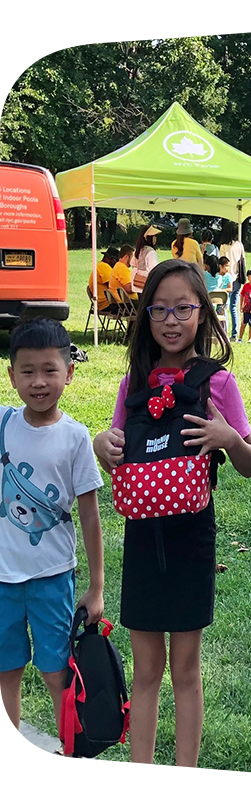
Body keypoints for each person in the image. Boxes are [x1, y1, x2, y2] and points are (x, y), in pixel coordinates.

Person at [93, 260, 251, 803]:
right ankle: (140, 787)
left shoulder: (218, 382)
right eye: (159, 309)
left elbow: (250, 462)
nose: (170, 320)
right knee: (146, 671)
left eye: (183, 308)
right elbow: (119, 451)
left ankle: (183, 790)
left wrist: (228, 436)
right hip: (143, 541)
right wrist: (102, 446)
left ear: (202, 314)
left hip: (191, 541)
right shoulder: (132, 384)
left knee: (185, 670)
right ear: (145, 317)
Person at [0, 317, 104, 803]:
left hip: (51, 581)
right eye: (27, 372)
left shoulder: (76, 438)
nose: (38, 382)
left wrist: (97, 585)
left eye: (49, 370)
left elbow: (90, 517)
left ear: (69, 372)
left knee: (58, 678)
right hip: (1, 582)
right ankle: (6, 768)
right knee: (5, 675)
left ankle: (72, 770)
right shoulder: (2, 424)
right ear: (11, 376)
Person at [219, 221, 246, 338]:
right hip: (238, 278)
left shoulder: (223, 246)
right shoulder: (239, 245)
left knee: (224, 306)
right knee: (234, 307)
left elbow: (221, 262)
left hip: (226, 279)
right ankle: (234, 334)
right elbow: (243, 261)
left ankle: (224, 331)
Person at [88, 246, 119, 311]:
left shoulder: (99, 265)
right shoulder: (104, 266)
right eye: (116, 262)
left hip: (101, 303)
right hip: (107, 304)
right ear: (110, 259)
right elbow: (112, 285)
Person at [132, 225, 161, 293]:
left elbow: (132, 264)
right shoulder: (151, 252)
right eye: (154, 236)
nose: (155, 239)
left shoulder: (138, 250)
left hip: (136, 285)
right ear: (148, 238)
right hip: (146, 286)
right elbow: (154, 270)